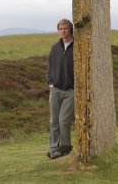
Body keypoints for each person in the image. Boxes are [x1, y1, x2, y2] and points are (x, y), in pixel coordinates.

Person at [47, 18, 74, 159]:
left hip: (70, 91)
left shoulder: (77, 46)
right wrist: (50, 82)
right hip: (56, 89)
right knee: (54, 121)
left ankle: (66, 147)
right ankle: (54, 149)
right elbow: (49, 66)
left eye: (65, 28)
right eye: (60, 29)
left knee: (64, 121)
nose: (63, 31)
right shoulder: (55, 47)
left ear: (70, 30)